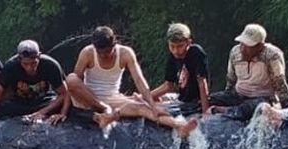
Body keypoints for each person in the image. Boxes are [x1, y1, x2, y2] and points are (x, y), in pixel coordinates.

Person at [65, 26, 198, 137]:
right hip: (88, 99)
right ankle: (104, 110)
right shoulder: (87, 52)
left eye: (107, 52)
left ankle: (179, 126)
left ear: (114, 44)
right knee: (71, 78)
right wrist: (63, 111)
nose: (103, 56)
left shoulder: (125, 53)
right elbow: (73, 86)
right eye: (100, 53)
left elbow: (139, 80)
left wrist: (152, 105)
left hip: (112, 99)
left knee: (142, 108)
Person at [208, 24, 288, 122]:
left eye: (248, 46)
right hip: (238, 95)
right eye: (242, 44)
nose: (243, 49)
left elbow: (279, 82)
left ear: (260, 46)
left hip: (262, 98)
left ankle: (227, 111)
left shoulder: (272, 55)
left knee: (258, 108)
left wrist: (287, 106)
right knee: (208, 99)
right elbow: (231, 79)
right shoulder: (235, 52)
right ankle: (229, 109)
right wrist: (226, 97)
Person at [0, 40, 70, 131]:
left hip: (43, 101)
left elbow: (64, 93)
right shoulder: (11, 66)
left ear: (39, 56)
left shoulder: (50, 65)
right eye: (25, 64)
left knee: (64, 106)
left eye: (33, 63)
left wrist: (60, 113)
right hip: (18, 103)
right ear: (19, 59)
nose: (29, 68)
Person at [148, 23, 211, 118]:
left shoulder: (196, 53)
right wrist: (146, 96)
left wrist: (206, 112)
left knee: (157, 111)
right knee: (150, 102)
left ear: (188, 42)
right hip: (180, 98)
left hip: (194, 102)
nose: (176, 51)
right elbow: (168, 85)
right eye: (172, 46)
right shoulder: (173, 56)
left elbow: (202, 83)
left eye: (180, 46)